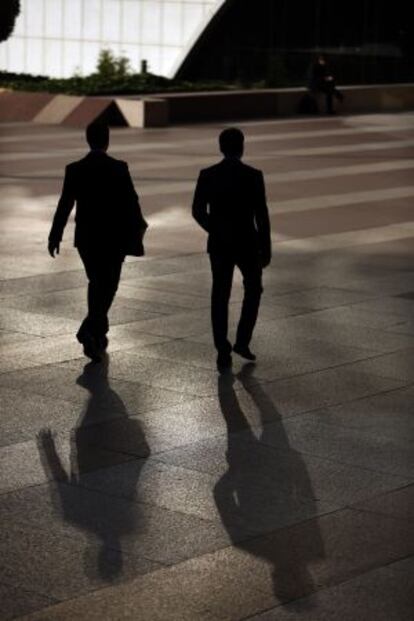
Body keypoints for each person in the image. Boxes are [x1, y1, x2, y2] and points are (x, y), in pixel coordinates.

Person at [48, 122, 147, 362]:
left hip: (86, 239)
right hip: (114, 237)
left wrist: (55, 234)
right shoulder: (119, 167)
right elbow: (131, 202)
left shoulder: (75, 169)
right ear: (107, 140)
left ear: (88, 140)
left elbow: (65, 204)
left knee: (97, 281)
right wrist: (139, 228)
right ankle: (89, 330)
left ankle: (97, 332)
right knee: (108, 285)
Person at [192, 127, 271, 370]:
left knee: (220, 294)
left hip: (220, 244)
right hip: (248, 242)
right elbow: (262, 214)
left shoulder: (208, 174)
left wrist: (215, 229)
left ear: (221, 147)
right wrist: (266, 246)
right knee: (253, 289)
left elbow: (197, 210)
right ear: (242, 147)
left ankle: (222, 349)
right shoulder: (253, 175)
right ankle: (242, 340)